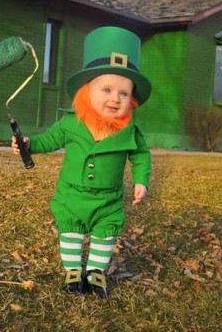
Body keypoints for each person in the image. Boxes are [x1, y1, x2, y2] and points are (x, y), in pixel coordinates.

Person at [12, 26, 152, 298]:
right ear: (87, 91)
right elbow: (49, 140)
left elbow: (140, 156)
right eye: (107, 89)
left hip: (108, 200)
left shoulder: (129, 131)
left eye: (123, 94)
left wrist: (141, 181)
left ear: (131, 99)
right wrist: (28, 145)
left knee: (104, 235)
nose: (115, 98)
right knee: (71, 233)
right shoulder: (70, 122)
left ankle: (96, 274)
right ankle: (73, 272)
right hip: (72, 195)